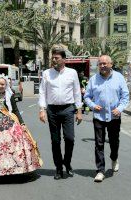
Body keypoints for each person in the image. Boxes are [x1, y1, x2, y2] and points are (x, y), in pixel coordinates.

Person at [0, 73, 42, 177]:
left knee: (12, 146)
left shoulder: (10, 95)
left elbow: (15, 110)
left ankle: (13, 169)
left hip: (9, 123)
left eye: (3, 84)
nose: (1, 86)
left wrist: (22, 123)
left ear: (6, 85)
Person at [38, 47, 83, 180]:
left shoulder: (72, 73)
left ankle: (67, 162)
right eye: (53, 57)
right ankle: (58, 167)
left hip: (68, 109)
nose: (54, 60)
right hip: (52, 110)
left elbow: (77, 92)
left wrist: (79, 111)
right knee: (55, 141)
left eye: (57, 58)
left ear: (63, 59)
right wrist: (42, 109)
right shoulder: (47, 73)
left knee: (70, 138)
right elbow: (42, 92)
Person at [84, 55, 129, 182]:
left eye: (105, 63)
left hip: (114, 116)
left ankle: (114, 158)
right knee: (99, 143)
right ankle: (100, 170)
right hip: (99, 116)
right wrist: (93, 106)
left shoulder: (119, 78)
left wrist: (119, 109)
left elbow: (125, 96)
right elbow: (87, 97)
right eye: (100, 64)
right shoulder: (93, 79)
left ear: (111, 64)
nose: (102, 66)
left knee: (114, 142)